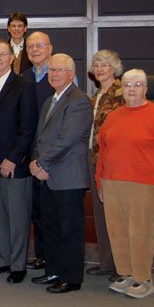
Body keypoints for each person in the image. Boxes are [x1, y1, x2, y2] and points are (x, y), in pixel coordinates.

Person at [96, 69, 154, 299]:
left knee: (140, 233)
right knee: (118, 232)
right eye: (128, 85)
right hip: (112, 183)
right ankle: (125, 273)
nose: (132, 89)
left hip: (144, 185)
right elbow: (103, 151)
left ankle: (143, 278)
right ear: (121, 89)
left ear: (145, 89)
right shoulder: (114, 116)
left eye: (137, 85)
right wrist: (100, 183)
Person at [29, 53, 92, 294]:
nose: (54, 74)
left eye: (59, 70)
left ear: (71, 73)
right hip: (46, 175)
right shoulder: (49, 100)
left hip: (68, 177)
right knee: (50, 227)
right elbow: (39, 137)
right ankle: (53, 271)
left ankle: (71, 277)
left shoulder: (79, 101)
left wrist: (42, 164)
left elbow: (66, 140)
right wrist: (35, 162)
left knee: (70, 229)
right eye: (51, 70)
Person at [0, 40, 37, 284]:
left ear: (12, 58)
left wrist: (13, 158)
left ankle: (17, 265)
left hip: (13, 164)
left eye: (4, 54)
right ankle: (1, 259)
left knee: (17, 216)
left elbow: (28, 127)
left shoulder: (23, 86)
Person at [84, 50, 125, 281]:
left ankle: (123, 267)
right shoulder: (95, 96)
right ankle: (107, 262)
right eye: (97, 65)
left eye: (105, 65)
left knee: (117, 215)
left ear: (115, 68)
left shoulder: (122, 94)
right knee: (101, 213)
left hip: (113, 161)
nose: (100, 69)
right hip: (94, 159)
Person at [20, 31, 55, 271]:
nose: (34, 50)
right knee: (37, 210)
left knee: (53, 210)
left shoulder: (59, 74)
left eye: (39, 45)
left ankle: (54, 258)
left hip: (53, 156)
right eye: (30, 46)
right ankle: (42, 255)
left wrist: (46, 157)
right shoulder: (24, 77)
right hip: (29, 153)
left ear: (50, 48)